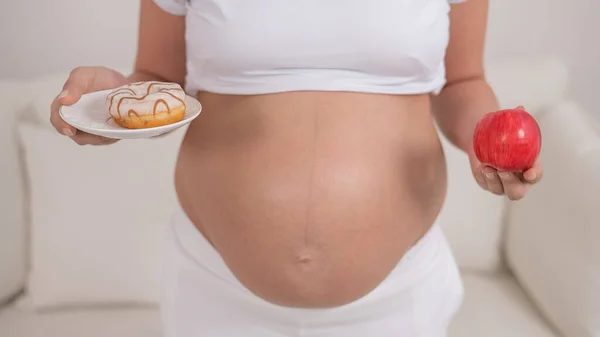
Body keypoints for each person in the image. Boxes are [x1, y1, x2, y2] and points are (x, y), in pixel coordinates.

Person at [49, 0, 543, 336]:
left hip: (399, 295)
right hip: (214, 288)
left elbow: (463, 82)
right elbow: (157, 82)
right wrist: (110, 100)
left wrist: (488, 139)